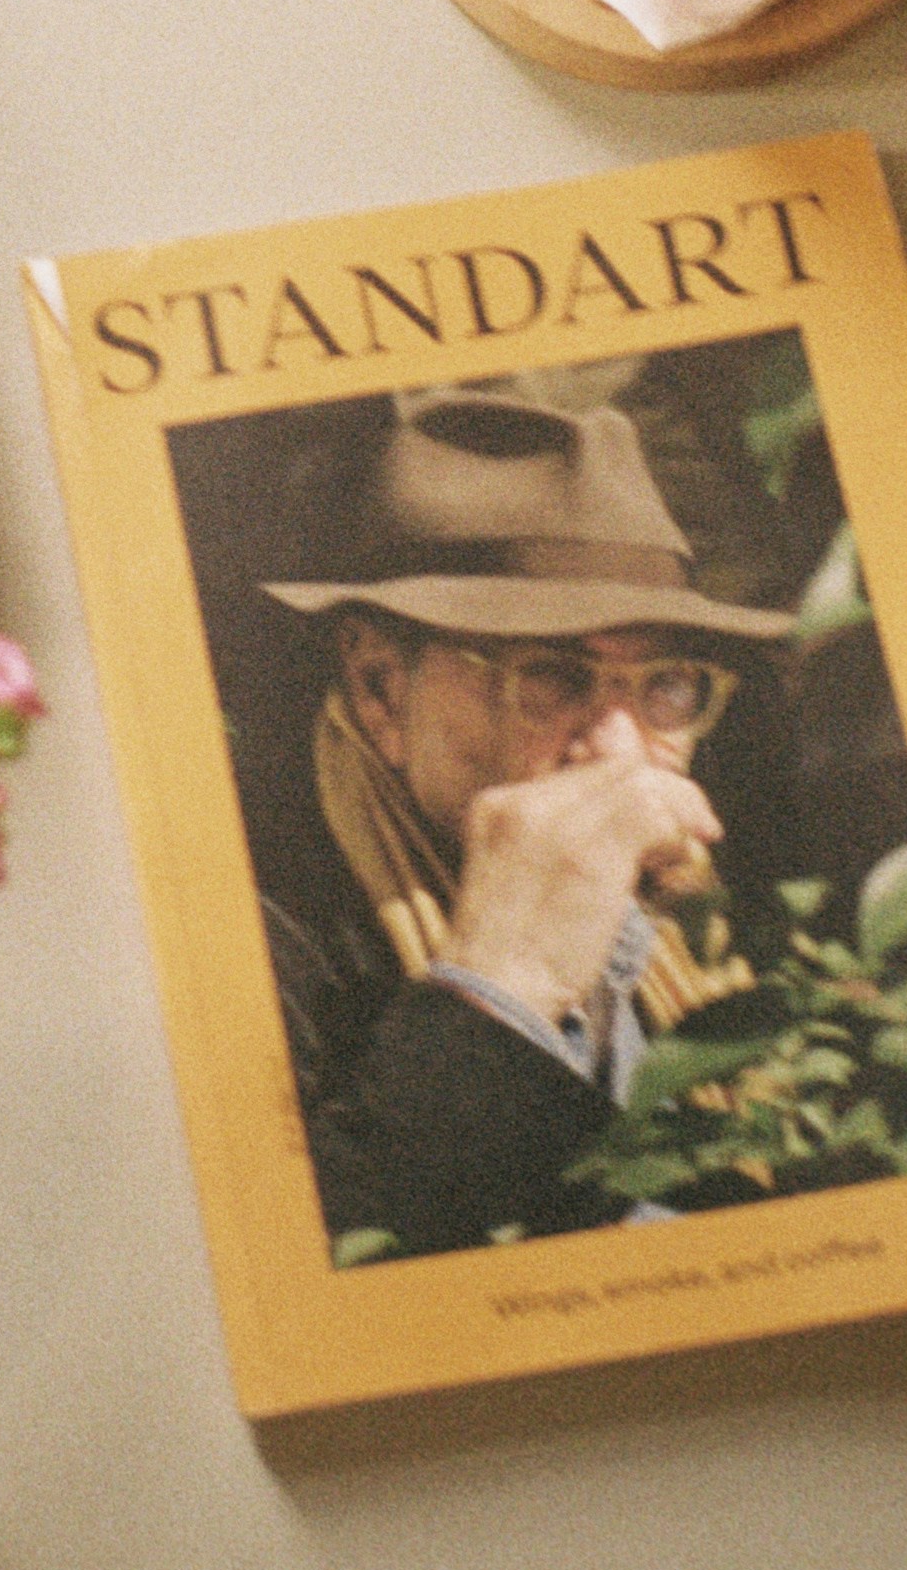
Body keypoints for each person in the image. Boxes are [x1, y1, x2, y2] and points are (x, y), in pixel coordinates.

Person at [257, 387, 797, 1257]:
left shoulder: (726, 924)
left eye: (664, 685)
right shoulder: (260, 942)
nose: (618, 752)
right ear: (379, 688)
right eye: (549, 675)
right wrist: (505, 983)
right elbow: (312, 1274)